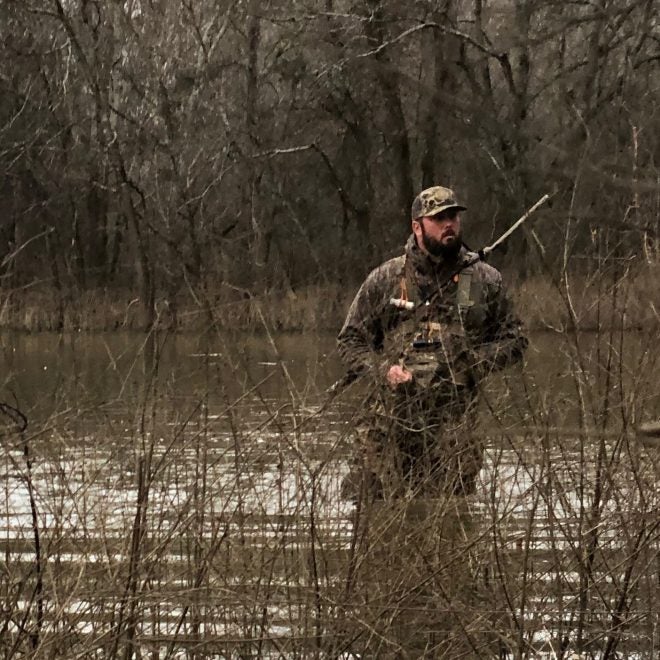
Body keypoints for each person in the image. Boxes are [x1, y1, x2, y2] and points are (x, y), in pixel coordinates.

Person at [337, 185, 528, 500]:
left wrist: (472, 363)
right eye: (438, 218)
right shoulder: (387, 278)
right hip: (387, 425)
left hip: (453, 429)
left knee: (451, 522)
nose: (448, 224)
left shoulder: (484, 280)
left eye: (452, 216)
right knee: (372, 515)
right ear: (417, 226)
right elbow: (350, 340)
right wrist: (385, 369)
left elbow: (516, 338)